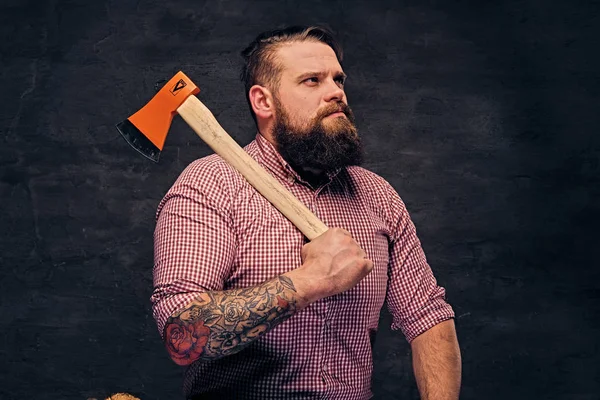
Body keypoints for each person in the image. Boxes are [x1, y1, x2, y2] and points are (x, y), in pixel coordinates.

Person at [151, 25, 461, 400]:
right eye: (312, 81)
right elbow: (181, 335)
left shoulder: (376, 196)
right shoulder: (211, 185)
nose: (336, 93)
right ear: (263, 101)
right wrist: (310, 280)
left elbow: (429, 317)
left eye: (338, 79)